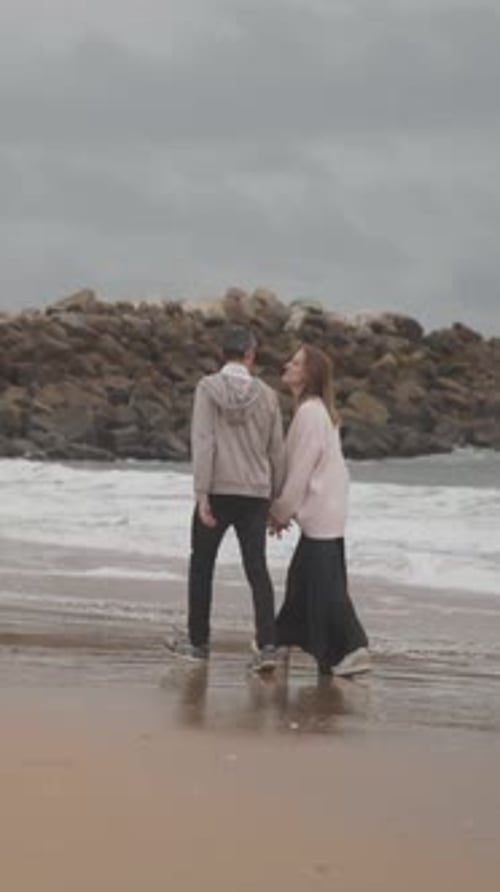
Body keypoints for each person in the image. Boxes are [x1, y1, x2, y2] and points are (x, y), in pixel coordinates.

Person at [166, 324, 285, 672]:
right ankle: (267, 646)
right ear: (250, 354)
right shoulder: (268, 395)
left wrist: (201, 493)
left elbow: (203, 442)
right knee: (256, 569)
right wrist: (275, 497)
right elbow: (277, 450)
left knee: (202, 565)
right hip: (255, 493)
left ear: (224, 353)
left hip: (218, 490)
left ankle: (199, 642)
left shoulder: (207, 388)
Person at [269, 344, 370, 677]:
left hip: (323, 511)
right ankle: (281, 642)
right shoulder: (314, 410)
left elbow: (300, 470)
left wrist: (280, 512)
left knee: (326, 588)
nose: (287, 365)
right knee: (302, 582)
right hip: (327, 508)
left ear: (309, 374)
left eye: (295, 362)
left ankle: (354, 647)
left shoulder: (310, 413)